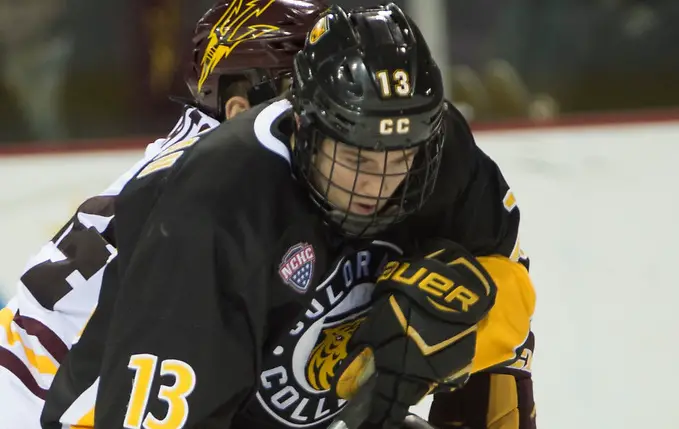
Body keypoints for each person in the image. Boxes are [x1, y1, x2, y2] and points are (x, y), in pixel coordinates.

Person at [62, 3, 537, 429]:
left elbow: (508, 295)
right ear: (306, 127)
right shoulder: (221, 204)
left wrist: (444, 351)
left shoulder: (439, 150)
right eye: (357, 160)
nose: (377, 183)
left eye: (400, 159)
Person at [0, 1, 325, 428]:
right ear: (240, 107)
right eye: (307, 93)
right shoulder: (219, 189)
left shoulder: (201, 156)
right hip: (39, 404)